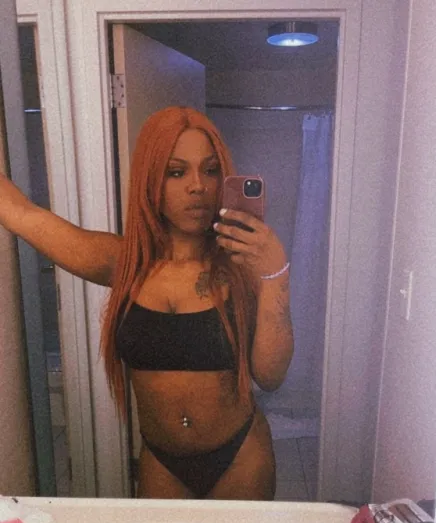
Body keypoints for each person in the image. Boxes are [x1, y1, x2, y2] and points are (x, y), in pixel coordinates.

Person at [0, 106, 293, 499]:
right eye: (176, 172)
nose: (198, 186)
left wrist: (276, 274)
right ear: (151, 179)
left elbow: (271, 377)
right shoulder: (124, 264)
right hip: (161, 463)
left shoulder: (244, 265)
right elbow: (21, 213)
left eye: (209, 170)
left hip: (240, 457)